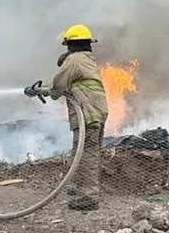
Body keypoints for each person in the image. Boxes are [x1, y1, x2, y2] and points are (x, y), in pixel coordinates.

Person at [27, 24, 109, 210]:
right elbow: (63, 83)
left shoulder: (74, 60)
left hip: (87, 112)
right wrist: (41, 90)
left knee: (85, 154)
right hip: (96, 111)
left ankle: (87, 198)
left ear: (69, 44)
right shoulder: (85, 59)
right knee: (83, 152)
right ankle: (77, 191)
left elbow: (58, 86)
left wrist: (41, 91)